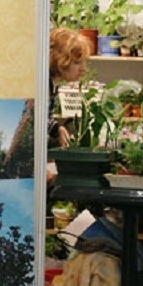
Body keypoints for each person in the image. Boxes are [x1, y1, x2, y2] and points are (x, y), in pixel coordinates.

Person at [48, 28, 90, 183]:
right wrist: (37, 168)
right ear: (60, 60)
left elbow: (44, 119)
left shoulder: (51, 84)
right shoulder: (40, 87)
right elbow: (28, 130)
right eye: (77, 63)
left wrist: (56, 128)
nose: (83, 69)